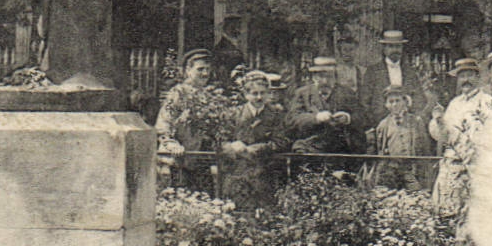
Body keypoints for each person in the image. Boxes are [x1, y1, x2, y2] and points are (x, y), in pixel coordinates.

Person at [429, 57, 492, 223]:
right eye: (462, 76)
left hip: (474, 165)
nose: (466, 80)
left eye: (470, 75)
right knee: (446, 213)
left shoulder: (487, 102)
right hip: (451, 165)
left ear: (477, 77)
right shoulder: (454, 104)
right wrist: (438, 121)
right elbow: (442, 135)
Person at [220, 70, 288, 209]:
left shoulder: (276, 115)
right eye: (254, 93)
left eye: (263, 93)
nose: (259, 97)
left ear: (268, 93)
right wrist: (233, 146)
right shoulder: (234, 114)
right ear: (245, 94)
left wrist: (256, 149)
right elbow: (221, 141)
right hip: (238, 173)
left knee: (266, 215)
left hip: (265, 173)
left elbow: (281, 142)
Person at [155, 49, 216, 191]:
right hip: (180, 158)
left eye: (208, 69)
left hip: (202, 158)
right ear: (188, 70)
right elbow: (164, 122)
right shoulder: (178, 93)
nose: (205, 74)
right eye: (200, 69)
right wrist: (172, 144)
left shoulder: (209, 96)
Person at [287, 56, 364, 165]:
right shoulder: (302, 94)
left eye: (329, 76)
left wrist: (347, 118)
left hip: (340, 149)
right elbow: (292, 120)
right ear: (313, 77)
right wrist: (316, 118)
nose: (325, 81)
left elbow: (362, 116)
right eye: (321, 76)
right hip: (309, 146)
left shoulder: (346, 93)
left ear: (335, 76)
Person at [369, 85, 434, 191]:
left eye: (397, 100)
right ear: (386, 105)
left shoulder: (416, 122)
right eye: (391, 101)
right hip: (392, 173)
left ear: (404, 101)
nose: (394, 104)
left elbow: (426, 150)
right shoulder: (383, 125)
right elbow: (380, 152)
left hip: (412, 171)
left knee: (415, 199)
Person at [360, 29, 430, 122]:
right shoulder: (373, 72)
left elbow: (420, 99)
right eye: (391, 46)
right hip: (380, 123)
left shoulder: (410, 72)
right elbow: (364, 102)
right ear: (384, 49)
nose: (395, 50)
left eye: (398, 46)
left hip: (406, 124)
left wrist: (412, 112)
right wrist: (371, 127)